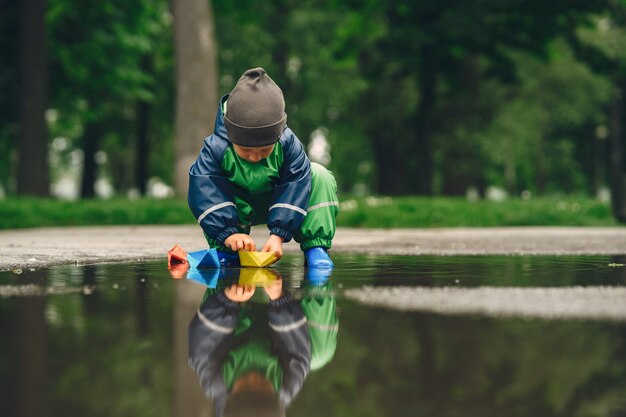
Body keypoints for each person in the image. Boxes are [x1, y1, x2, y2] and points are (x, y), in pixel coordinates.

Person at [188, 67, 339, 268]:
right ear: (232, 136)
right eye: (245, 150)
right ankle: (228, 251)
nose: (254, 157)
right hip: (237, 210)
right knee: (211, 189)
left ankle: (316, 249)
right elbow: (204, 190)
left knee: (319, 175)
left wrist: (278, 236)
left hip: (277, 202)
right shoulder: (216, 148)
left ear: (277, 137)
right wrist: (229, 235)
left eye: (265, 150)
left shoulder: (288, 144)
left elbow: (295, 185)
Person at [187, 269, 339, 417]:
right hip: (284, 314)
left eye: (247, 385)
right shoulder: (287, 385)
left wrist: (227, 300)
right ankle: (317, 273)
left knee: (213, 313)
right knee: (319, 354)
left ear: (230, 394)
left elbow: (204, 333)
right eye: (261, 385)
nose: (254, 379)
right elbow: (296, 348)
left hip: (234, 309)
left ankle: (228, 266)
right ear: (276, 396)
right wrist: (279, 300)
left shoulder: (215, 379)